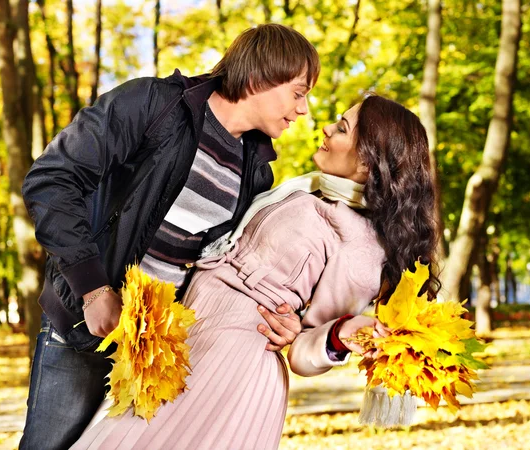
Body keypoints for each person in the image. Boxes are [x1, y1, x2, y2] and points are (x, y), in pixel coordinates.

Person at [70, 93, 441, 449]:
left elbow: (304, 346)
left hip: (232, 361)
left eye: (343, 128)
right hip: (191, 337)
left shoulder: (360, 245)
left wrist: (341, 333)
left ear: (366, 163)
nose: (327, 128)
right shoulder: (314, 192)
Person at [19, 24, 320, 450]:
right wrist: (93, 291)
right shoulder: (153, 105)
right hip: (83, 332)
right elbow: (52, 180)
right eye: (298, 91)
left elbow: (228, 267)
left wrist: (288, 317)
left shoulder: (256, 172)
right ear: (260, 77)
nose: (303, 109)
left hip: (156, 353)